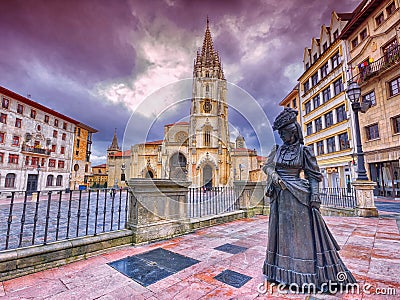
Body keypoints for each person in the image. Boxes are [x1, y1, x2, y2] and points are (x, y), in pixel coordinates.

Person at [262, 107, 356, 291]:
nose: (282, 137)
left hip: (298, 197)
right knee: (281, 235)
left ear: (294, 132)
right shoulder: (277, 150)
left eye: (285, 133)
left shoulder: (304, 151)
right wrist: (274, 175)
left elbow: (313, 175)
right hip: (280, 197)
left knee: (300, 237)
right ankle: (279, 272)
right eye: (280, 133)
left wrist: (315, 197)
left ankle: (303, 273)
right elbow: (267, 166)